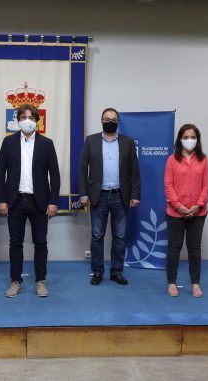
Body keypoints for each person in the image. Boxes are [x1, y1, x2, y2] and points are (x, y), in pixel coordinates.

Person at [0, 104, 60, 298]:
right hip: (15, 201)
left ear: (37, 121)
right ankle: (16, 281)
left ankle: (41, 281)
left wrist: (53, 201)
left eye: (31, 117)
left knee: (40, 242)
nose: (27, 120)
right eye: (23, 117)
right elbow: (0, 173)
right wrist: (1, 200)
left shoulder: (47, 144)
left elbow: (55, 175)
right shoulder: (8, 143)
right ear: (17, 120)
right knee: (15, 242)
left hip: (39, 201)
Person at [78, 108, 141, 286]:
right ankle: (97, 271)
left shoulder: (128, 142)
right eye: (106, 118)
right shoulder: (91, 141)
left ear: (118, 121)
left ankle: (116, 272)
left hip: (121, 196)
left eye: (113, 119)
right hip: (99, 196)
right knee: (97, 236)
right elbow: (82, 169)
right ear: (102, 121)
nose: (110, 121)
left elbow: (134, 171)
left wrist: (135, 194)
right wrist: (83, 193)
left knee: (119, 237)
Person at [163, 124, 208, 298]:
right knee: (174, 248)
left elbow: (206, 187)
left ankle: (195, 283)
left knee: (194, 248)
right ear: (180, 139)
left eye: (192, 137)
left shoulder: (203, 160)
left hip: (198, 213)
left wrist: (197, 205)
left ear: (197, 139)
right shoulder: (171, 160)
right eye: (186, 137)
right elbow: (168, 186)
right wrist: (179, 206)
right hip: (175, 212)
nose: (189, 140)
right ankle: (171, 282)